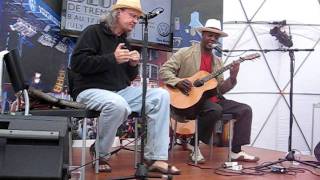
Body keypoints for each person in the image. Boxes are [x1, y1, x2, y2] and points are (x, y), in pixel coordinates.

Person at [70, 0, 180, 174]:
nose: (136, 21)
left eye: (137, 17)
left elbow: (127, 79)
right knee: (117, 104)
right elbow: (77, 63)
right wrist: (111, 58)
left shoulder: (124, 42)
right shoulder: (93, 32)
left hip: (119, 92)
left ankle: (155, 157)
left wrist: (132, 65)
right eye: (132, 15)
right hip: (89, 90)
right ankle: (100, 152)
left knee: (161, 95)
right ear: (118, 13)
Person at [159, 19, 260, 164]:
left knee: (245, 109)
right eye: (209, 35)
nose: (212, 38)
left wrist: (233, 76)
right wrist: (178, 82)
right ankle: (194, 145)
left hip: (211, 99)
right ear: (203, 35)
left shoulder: (218, 62)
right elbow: (164, 71)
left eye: (216, 36)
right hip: (188, 100)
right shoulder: (185, 53)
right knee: (215, 110)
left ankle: (236, 152)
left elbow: (220, 89)